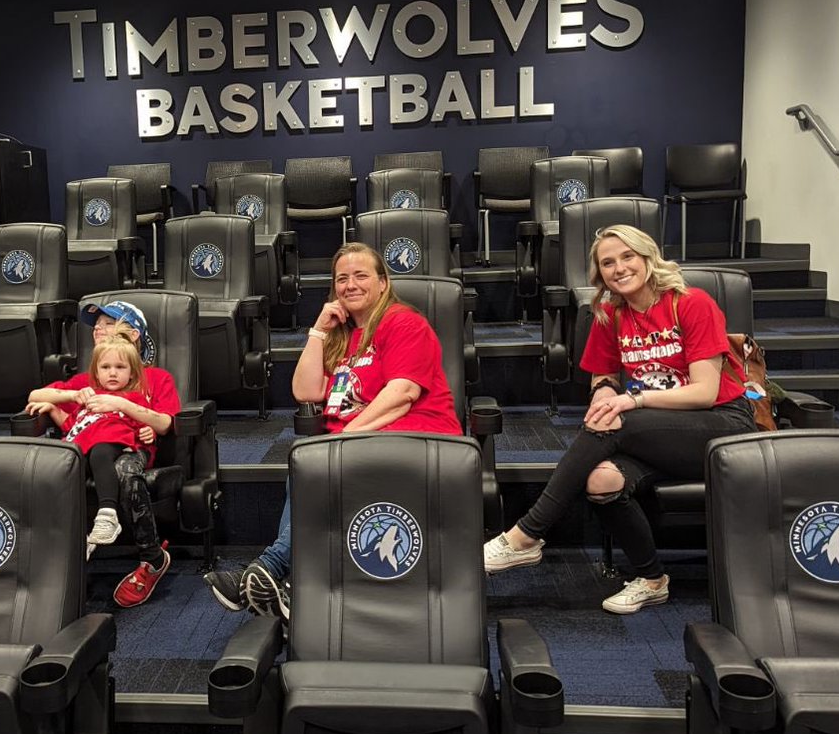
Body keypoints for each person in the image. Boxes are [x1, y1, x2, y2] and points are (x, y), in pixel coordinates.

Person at [483, 225, 758, 613]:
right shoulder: (610, 314)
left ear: (648, 259)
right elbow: (604, 376)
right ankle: (652, 579)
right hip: (658, 431)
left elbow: (704, 392)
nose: (619, 268)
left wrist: (632, 400)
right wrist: (606, 394)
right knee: (602, 480)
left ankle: (526, 534)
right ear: (599, 273)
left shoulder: (691, 303)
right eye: (607, 262)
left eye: (627, 257)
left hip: (720, 424)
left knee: (617, 420)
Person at [205, 242, 462, 619]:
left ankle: (275, 571)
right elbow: (305, 391)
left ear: (383, 282)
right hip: (359, 442)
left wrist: (342, 439)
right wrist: (318, 331)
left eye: (361, 275)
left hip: (417, 438)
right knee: (307, 458)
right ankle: (287, 583)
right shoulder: (343, 339)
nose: (350, 284)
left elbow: (402, 394)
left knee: (320, 461)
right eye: (342, 278)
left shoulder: (404, 322)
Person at [31, 300, 181, 607]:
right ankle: (59, 557)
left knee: (124, 469)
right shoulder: (92, 379)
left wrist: (127, 408)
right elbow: (38, 396)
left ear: (133, 333)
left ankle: (151, 558)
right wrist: (68, 398)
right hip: (85, 446)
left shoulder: (156, 378)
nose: (98, 329)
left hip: (128, 448)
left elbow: (166, 422)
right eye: (96, 325)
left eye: (107, 323)